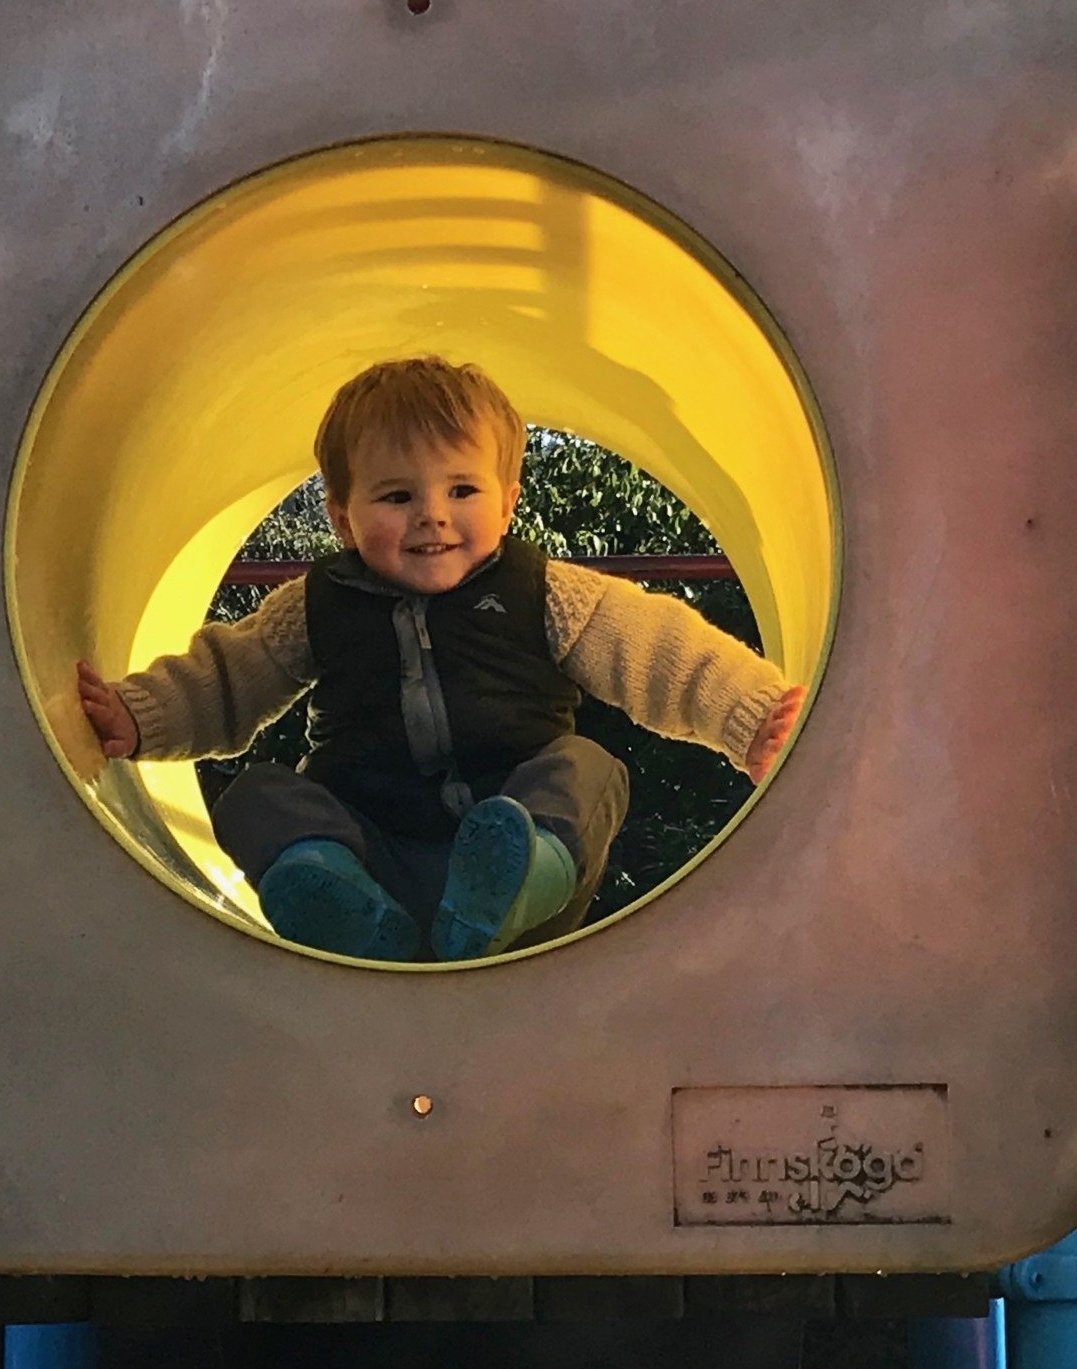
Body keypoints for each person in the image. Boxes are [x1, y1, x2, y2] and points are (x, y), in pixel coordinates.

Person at [77, 356, 804, 963]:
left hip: (516, 843)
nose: (432, 513)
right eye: (397, 495)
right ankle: (341, 904)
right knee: (256, 795)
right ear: (342, 515)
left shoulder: (548, 593)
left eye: (462, 489)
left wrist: (754, 716)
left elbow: (662, 654)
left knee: (586, 768)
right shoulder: (315, 605)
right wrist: (136, 715)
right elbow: (227, 679)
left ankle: (513, 884)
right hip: (370, 849)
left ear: (509, 501)